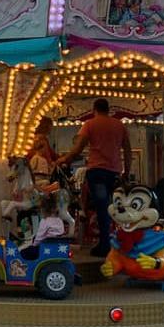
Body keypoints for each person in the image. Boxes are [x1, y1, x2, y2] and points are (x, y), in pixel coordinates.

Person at [56, 98, 131, 256]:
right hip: (114, 171)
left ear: (94, 109)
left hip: (97, 170)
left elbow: (78, 147)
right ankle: (114, 240)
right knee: (112, 206)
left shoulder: (90, 124)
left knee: (101, 207)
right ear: (108, 109)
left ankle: (105, 244)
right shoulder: (119, 125)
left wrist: (65, 159)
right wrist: (126, 172)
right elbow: (128, 150)